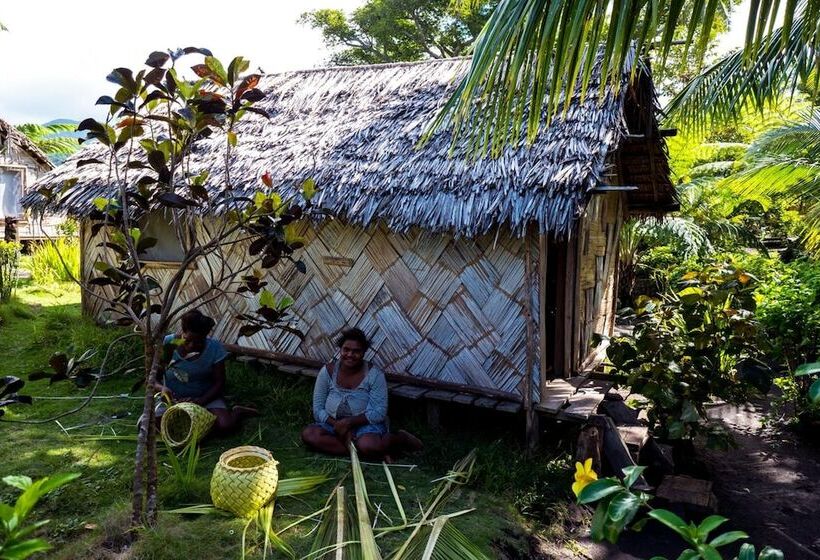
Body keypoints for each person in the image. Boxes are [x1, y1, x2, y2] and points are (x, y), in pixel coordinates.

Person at [301, 328, 422, 462]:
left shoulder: (374, 375)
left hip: (366, 424)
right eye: (346, 349)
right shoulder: (328, 372)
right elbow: (318, 409)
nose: (350, 355)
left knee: (368, 444)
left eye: (356, 351)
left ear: (364, 352)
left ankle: (400, 438)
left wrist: (349, 423)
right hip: (333, 424)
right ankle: (364, 451)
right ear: (340, 350)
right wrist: (338, 425)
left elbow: (379, 412)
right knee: (309, 435)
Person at [152, 309, 255, 434]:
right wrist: (162, 389)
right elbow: (152, 378)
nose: (191, 346)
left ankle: (238, 411)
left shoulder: (214, 348)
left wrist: (200, 401)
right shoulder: (168, 343)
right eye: (188, 340)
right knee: (153, 427)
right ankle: (194, 425)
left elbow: (219, 382)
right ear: (182, 332)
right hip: (172, 399)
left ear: (205, 337)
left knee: (225, 426)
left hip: (205, 398)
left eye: (199, 342)